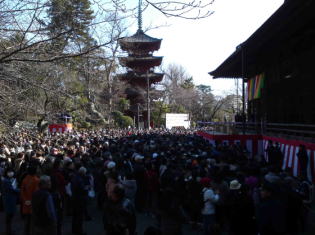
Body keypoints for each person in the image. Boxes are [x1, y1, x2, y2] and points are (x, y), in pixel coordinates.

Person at [21, 165, 40, 235]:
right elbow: (36, 193)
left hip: (26, 203)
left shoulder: (25, 179)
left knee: (27, 221)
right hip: (33, 204)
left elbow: (22, 191)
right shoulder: (36, 180)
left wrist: (25, 200)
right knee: (33, 223)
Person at [1, 168, 20, 235]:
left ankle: (8, 230)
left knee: (9, 216)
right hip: (9, 200)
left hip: (8, 199)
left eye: (11, 171)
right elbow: (12, 190)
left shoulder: (7, 180)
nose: (11, 173)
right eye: (9, 172)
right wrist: (20, 190)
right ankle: (8, 231)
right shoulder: (6, 181)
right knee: (9, 216)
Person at [71, 166, 89, 235]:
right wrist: (86, 188)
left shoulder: (75, 178)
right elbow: (82, 189)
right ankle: (79, 231)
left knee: (75, 216)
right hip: (79, 199)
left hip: (74, 198)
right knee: (79, 216)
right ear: (83, 172)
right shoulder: (79, 179)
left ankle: (74, 229)